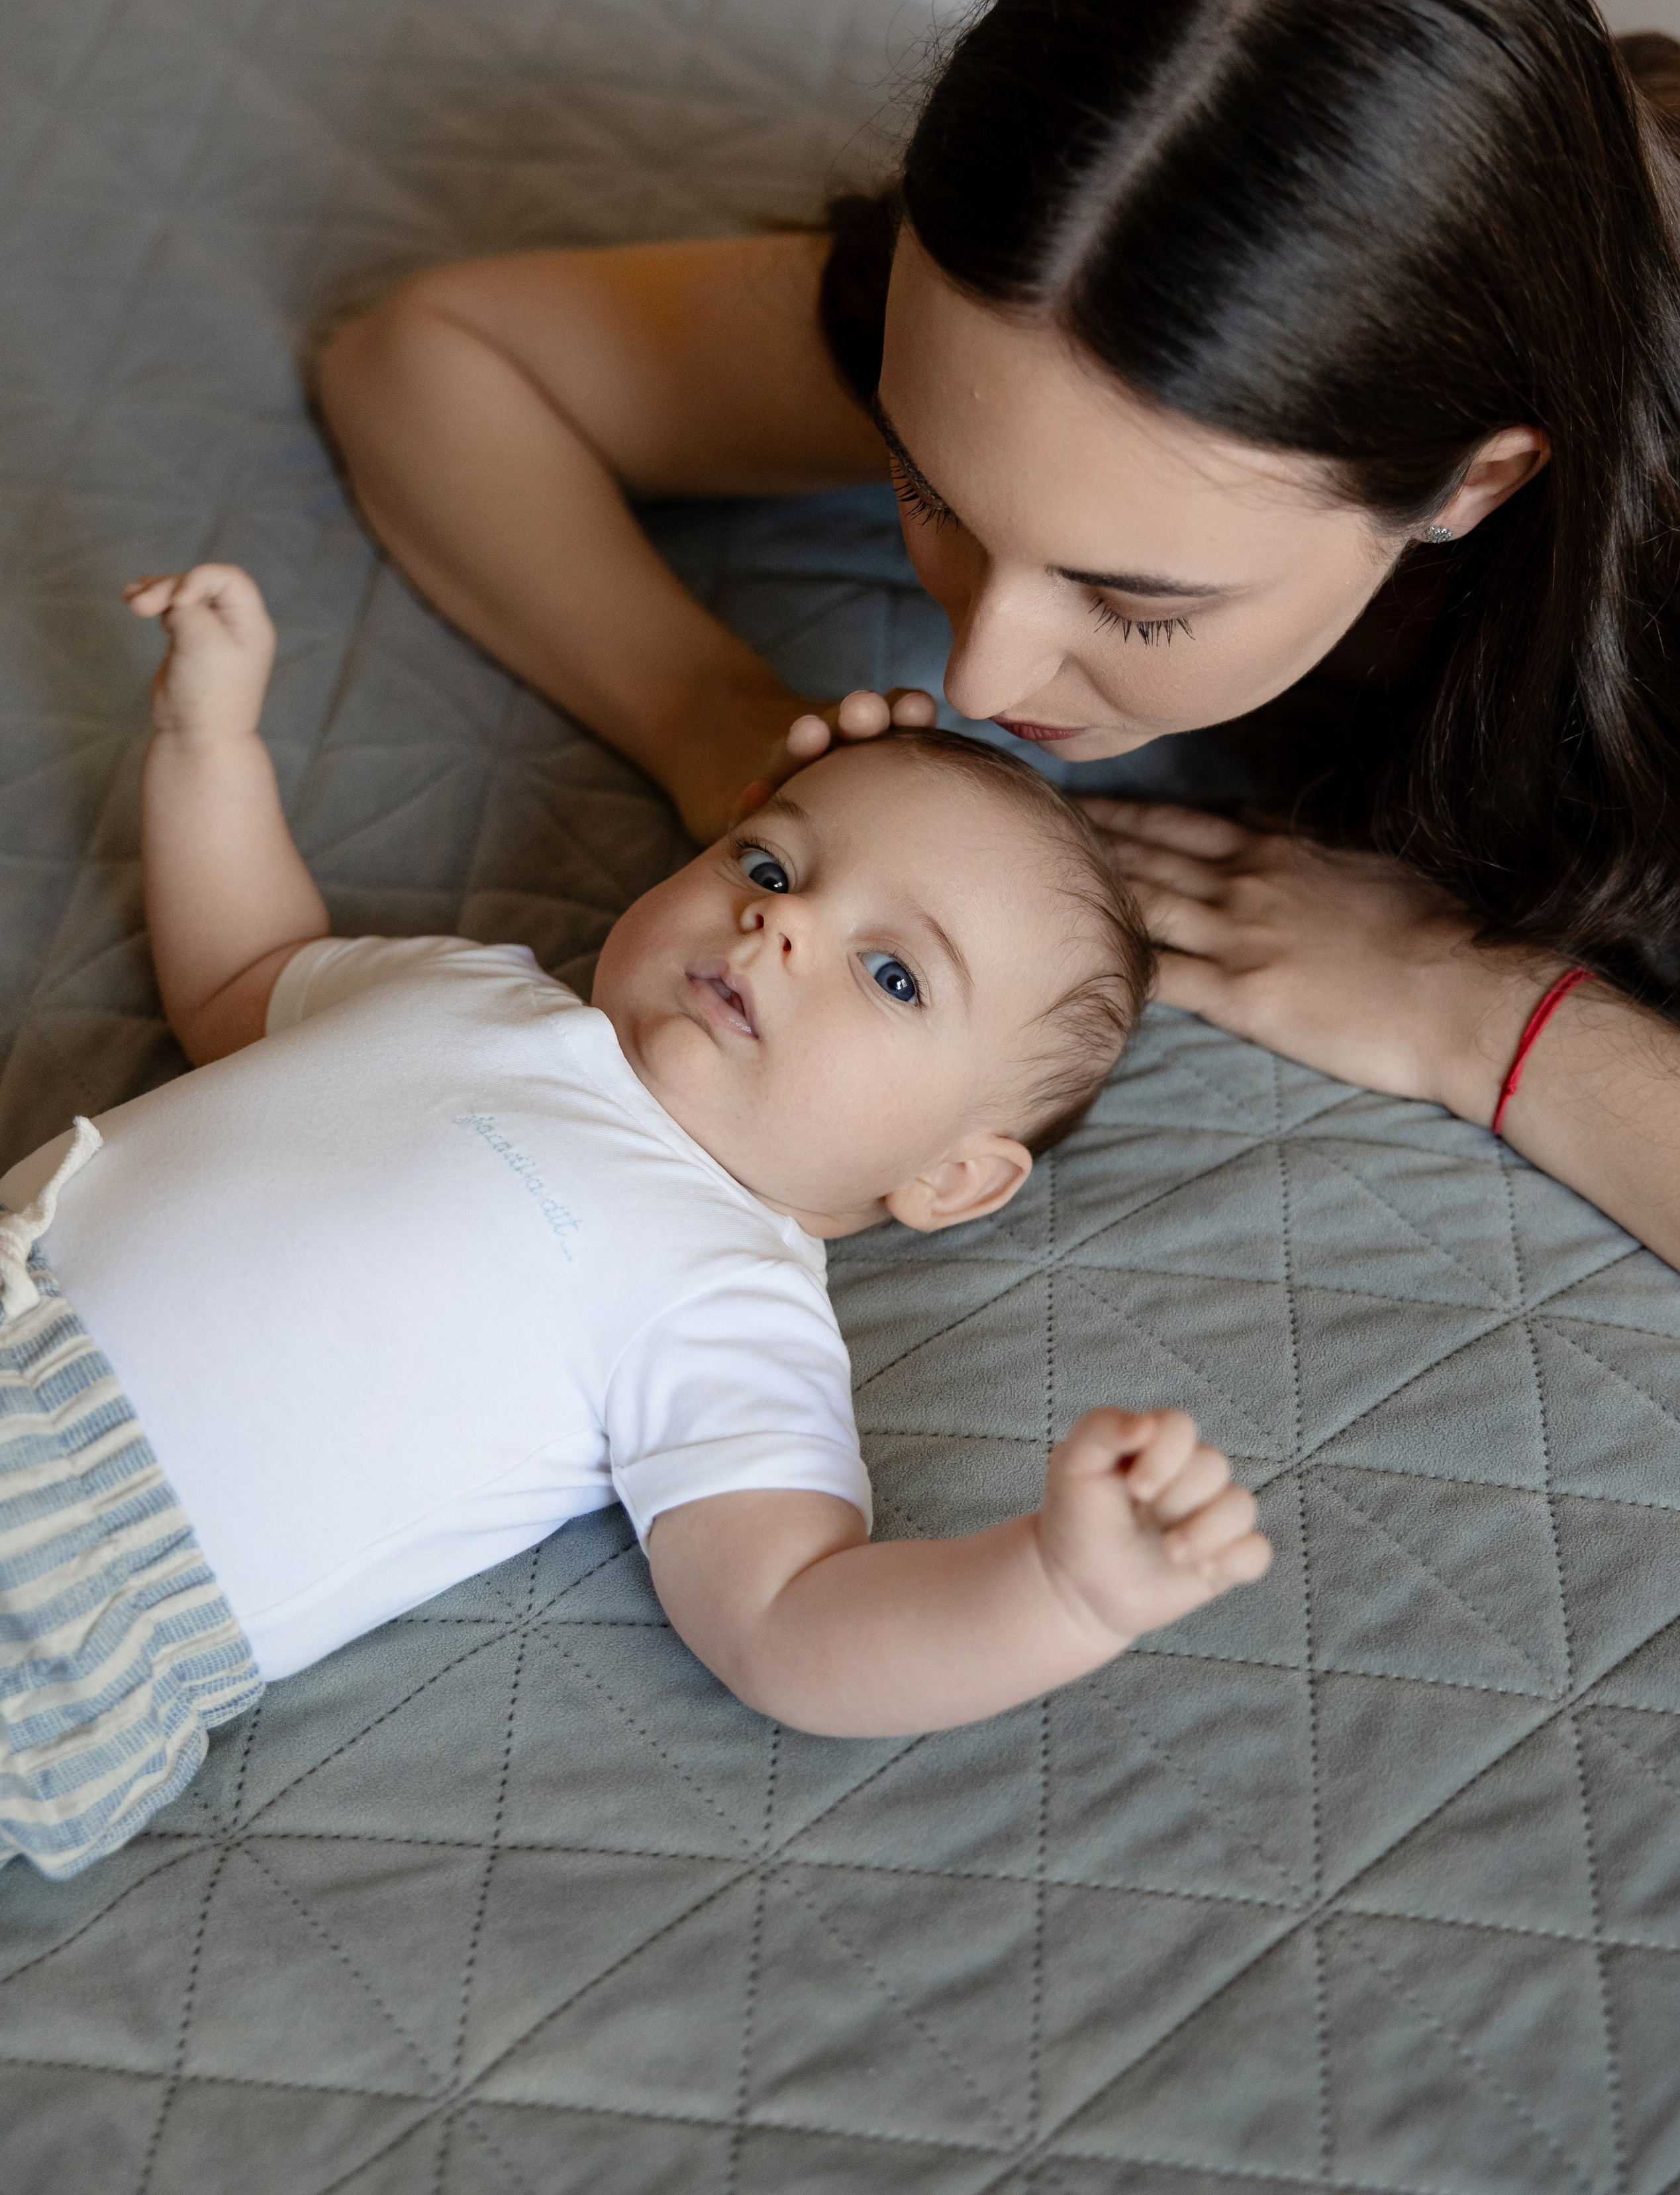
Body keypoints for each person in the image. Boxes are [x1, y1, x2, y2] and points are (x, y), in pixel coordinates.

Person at [314, 0, 1680, 1284]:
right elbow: (429, 366)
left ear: (1475, 483)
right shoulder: (1083, 255)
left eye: (1133, 599)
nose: (977, 670)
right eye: (927, 485)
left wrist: (1479, 1017)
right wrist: (712, 723)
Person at [0, 564, 1268, 1880]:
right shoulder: (467, 989)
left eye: (890, 974)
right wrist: (208, 743)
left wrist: (1057, 1593)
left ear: (950, 1179)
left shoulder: (724, 1295)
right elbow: (240, 982)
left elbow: (790, 1622)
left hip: (59, 1563)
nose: (780, 921)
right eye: (771, 861)